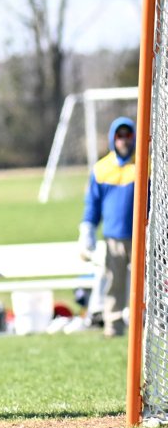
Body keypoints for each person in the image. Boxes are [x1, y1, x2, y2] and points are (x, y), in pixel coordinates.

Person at [78, 116, 137, 338]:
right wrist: (87, 229)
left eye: (128, 135)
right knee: (114, 282)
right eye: (119, 135)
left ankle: (146, 325)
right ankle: (113, 324)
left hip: (142, 237)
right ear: (113, 138)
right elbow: (92, 204)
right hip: (113, 237)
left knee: (145, 284)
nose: (123, 140)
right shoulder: (102, 169)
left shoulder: (145, 164)